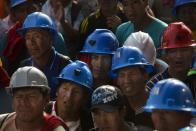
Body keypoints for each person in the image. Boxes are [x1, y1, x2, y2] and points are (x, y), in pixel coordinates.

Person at [18, 12, 71, 100]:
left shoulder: (65, 66)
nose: (32, 42)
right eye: (28, 37)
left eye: (37, 36)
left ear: (50, 39)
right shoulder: (24, 66)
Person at [0, 66, 69, 131]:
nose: (24, 103)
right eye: (19, 96)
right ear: (12, 101)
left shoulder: (55, 128)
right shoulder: (2, 122)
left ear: (46, 100)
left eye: (31, 96)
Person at [111, 46, 154, 129]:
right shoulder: (117, 108)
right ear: (117, 81)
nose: (127, 80)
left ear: (145, 75)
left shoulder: (158, 108)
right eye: (122, 75)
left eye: (132, 73)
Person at [146, 22, 196, 91]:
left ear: (193, 52)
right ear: (166, 55)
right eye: (173, 51)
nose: (179, 56)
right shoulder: (154, 86)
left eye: (184, 50)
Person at [45, 60, 94, 131]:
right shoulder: (40, 112)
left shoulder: (90, 124)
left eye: (76, 92)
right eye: (65, 88)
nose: (69, 96)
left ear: (84, 99)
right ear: (57, 91)